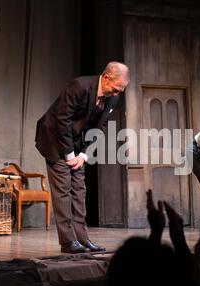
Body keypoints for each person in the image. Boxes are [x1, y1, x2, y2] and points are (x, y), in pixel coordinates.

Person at [35, 61, 130, 253]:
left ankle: (82, 238)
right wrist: (69, 155)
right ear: (106, 77)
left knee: (79, 189)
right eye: (116, 88)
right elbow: (62, 121)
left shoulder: (113, 98)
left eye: (121, 89)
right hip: (54, 139)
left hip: (77, 142)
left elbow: (98, 128)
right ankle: (68, 242)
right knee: (63, 189)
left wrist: (84, 155)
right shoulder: (79, 86)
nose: (117, 93)